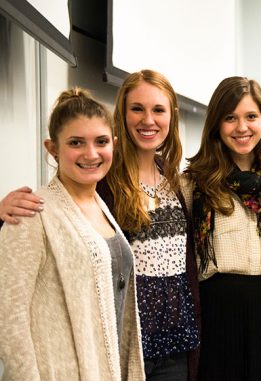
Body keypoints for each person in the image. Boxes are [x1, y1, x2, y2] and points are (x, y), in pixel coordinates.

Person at [0, 70, 202, 381]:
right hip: (116, 345)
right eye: (137, 109)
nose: (148, 119)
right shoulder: (99, 180)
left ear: (172, 117)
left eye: (158, 110)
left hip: (173, 342)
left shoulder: (175, 180)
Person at [0, 88, 144, 380]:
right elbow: (9, 319)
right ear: (52, 148)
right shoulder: (32, 213)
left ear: (113, 144)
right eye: (76, 143)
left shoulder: (101, 206)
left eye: (101, 142)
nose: (91, 154)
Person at [182, 76, 261, 380]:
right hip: (218, 313)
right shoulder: (195, 183)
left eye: (251, 117)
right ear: (216, 124)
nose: (242, 127)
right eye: (230, 117)